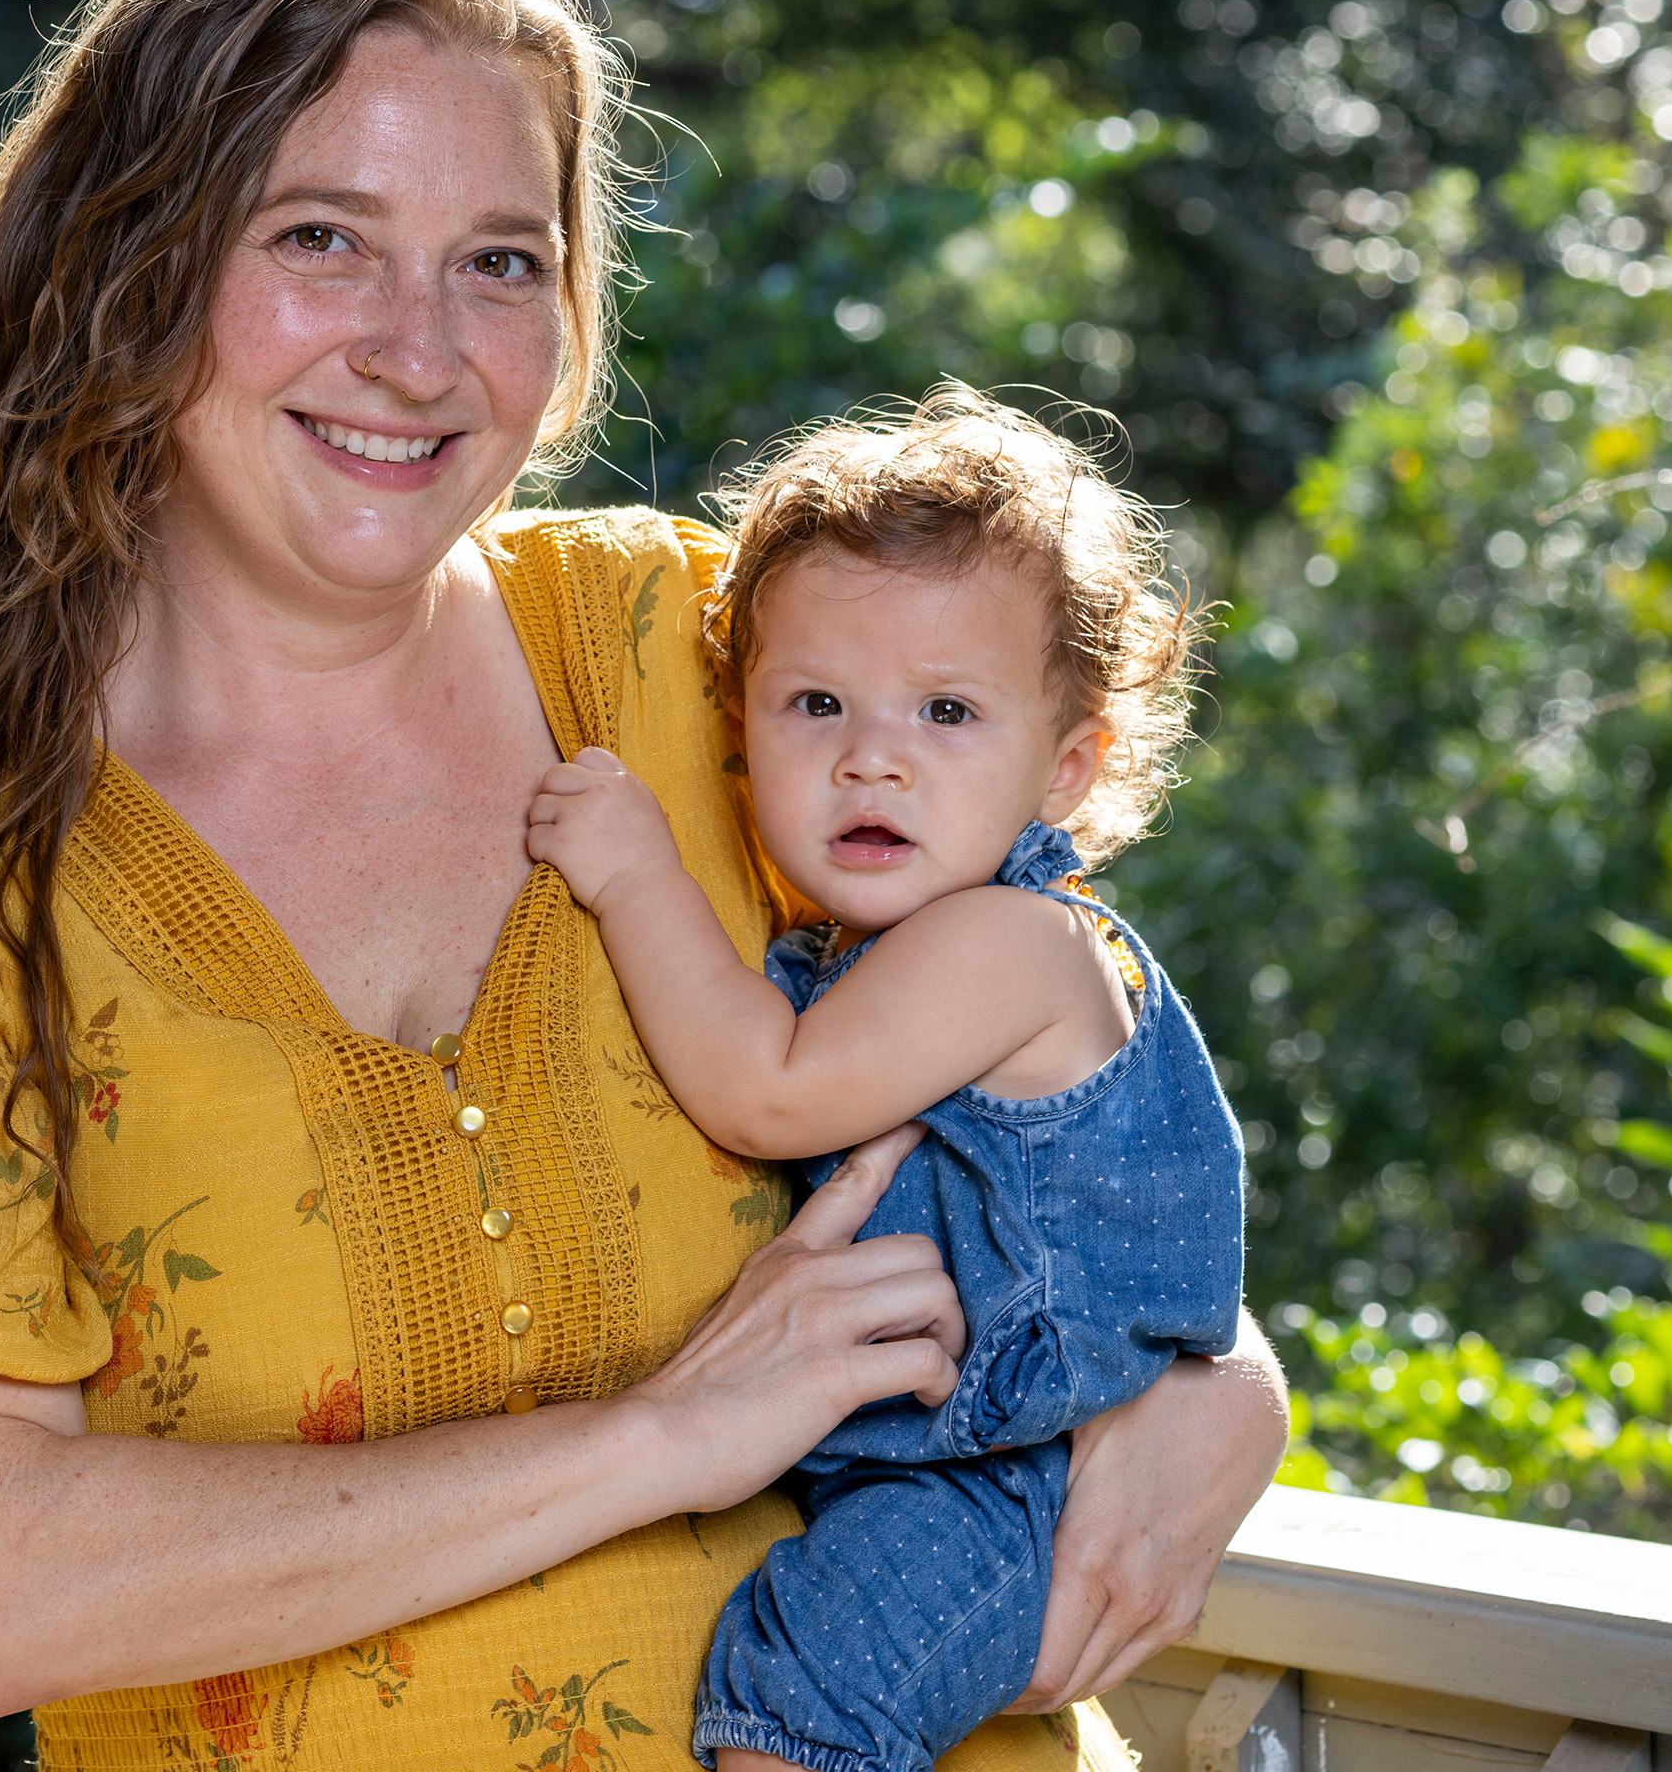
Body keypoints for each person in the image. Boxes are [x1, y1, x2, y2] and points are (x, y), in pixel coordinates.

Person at [0, 0, 1287, 1771]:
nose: (420, 351)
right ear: (125, 266)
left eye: (499, 261)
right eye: (323, 238)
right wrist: (670, 1437)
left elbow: (1062, 1083)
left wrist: (1221, 1389)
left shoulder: (704, 660)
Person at [526, 394, 1243, 1772]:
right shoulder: (888, 944)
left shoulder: (1006, 944)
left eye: (948, 710)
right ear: (742, 730)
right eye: (816, 703)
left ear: (1066, 769)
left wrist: (634, 874)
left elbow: (770, 1093)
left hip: (1004, 1482)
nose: (873, 752)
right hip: (963, 1469)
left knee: (810, 1687)